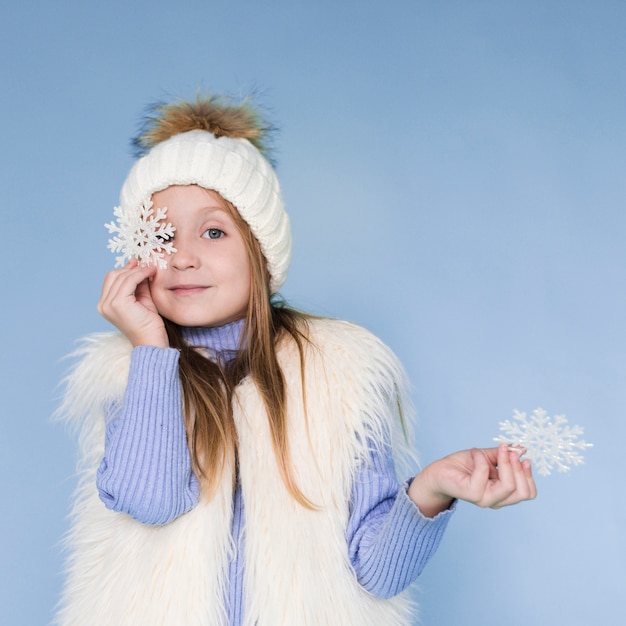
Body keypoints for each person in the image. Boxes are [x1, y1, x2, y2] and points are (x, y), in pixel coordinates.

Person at [55, 95, 536, 626]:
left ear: (260, 250)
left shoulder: (339, 373)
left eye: (213, 231)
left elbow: (374, 574)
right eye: (162, 236)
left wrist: (431, 490)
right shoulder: (132, 375)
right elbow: (152, 501)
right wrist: (150, 348)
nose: (183, 256)